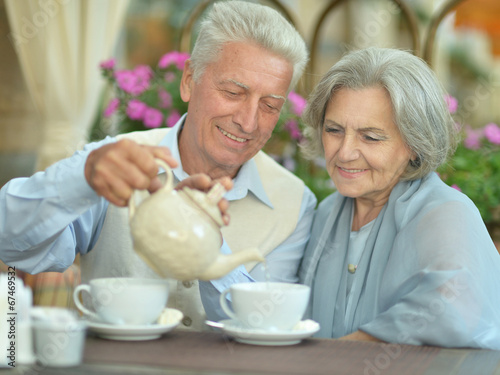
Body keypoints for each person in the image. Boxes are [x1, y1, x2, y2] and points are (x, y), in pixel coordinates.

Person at [0, 1, 315, 330]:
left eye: (270, 105)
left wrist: (205, 242)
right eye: (233, 92)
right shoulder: (114, 161)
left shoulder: (295, 203)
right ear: (189, 81)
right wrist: (79, 179)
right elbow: (9, 240)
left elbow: (266, 328)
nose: (249, 122)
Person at [299, 47, 500, 349]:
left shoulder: (445, 213)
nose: (345, 152)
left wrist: (337, 357)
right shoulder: (327, 213)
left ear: (415, 144)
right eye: (334, 130)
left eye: (371, 137)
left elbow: (450, 310)